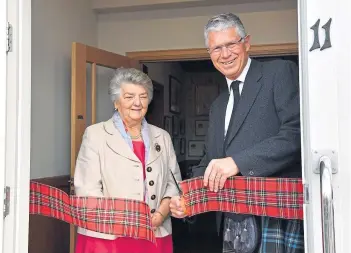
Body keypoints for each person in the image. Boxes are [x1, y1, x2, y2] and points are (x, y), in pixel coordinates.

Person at [170, 13, 304, 253]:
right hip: (232, 221)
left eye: (231, 44)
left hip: (274, 216)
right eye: (216, 48)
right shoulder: (218, 105)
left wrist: (237, 162)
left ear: (247, 42)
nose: (225, 54)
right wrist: (186, 198)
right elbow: (209, 161)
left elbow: (296, 133)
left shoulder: (279, 72)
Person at [74, 67, 181, 253]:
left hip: (154, 233)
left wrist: (160, 214)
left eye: (143, 96)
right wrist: (126, 221)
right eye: (129, 97)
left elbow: (174, 183)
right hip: (108, 238)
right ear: (116, 102)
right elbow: (87, 189)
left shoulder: (162, 137)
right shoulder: (95, 134)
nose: (137, 103)